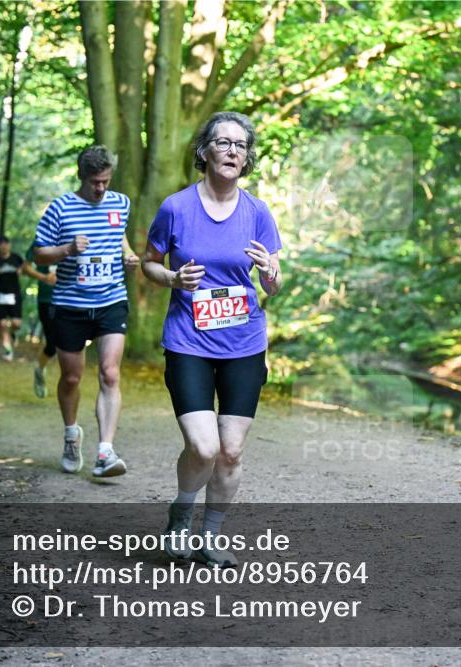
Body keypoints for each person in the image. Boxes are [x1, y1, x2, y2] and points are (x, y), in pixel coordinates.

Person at [142, 112, 283, 567]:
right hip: (188, 341)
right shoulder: (175, 208)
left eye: (241, 146)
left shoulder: (257, 212)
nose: (232, 151)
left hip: (244, 342)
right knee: (203, 447)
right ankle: (181, 513)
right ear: (204, 151)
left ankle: (212, 535)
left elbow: (273, 284)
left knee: (231, 450)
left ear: (247, 159)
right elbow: (149, 263)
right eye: (223, 143)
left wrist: (271, 273)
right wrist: (172, 278)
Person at [33, 145, 140, 478]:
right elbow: (39, 255)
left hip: (110, 299)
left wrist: (129, 254)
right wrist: (67, 249)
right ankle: (71, 434)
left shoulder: (120, 203)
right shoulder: (60, 209)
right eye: (95, 182)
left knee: (109, 373)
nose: (101, 188)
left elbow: (117, 232)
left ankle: (105, 452)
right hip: (69, 303)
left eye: (106, 181)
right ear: (82, 176)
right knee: (72, 377)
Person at [22, 244, 58, 397]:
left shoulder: (75, 233)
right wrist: (43, 278)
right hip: (47, 298)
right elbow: (26, 268)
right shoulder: (41, 240)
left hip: (71, 297)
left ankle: (69, 385)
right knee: (52, 344)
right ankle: (40, 370)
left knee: (71, 343)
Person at [0, 235, 25, 361]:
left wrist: (21, 271)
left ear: (9, 245)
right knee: (2, 324)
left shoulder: (16, 258)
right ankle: (8, 350)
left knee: (16, 323)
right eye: (1, 243)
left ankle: (12, 333)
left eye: (6, 243)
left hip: (14, 295)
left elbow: (26, 269)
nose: (4, 246)